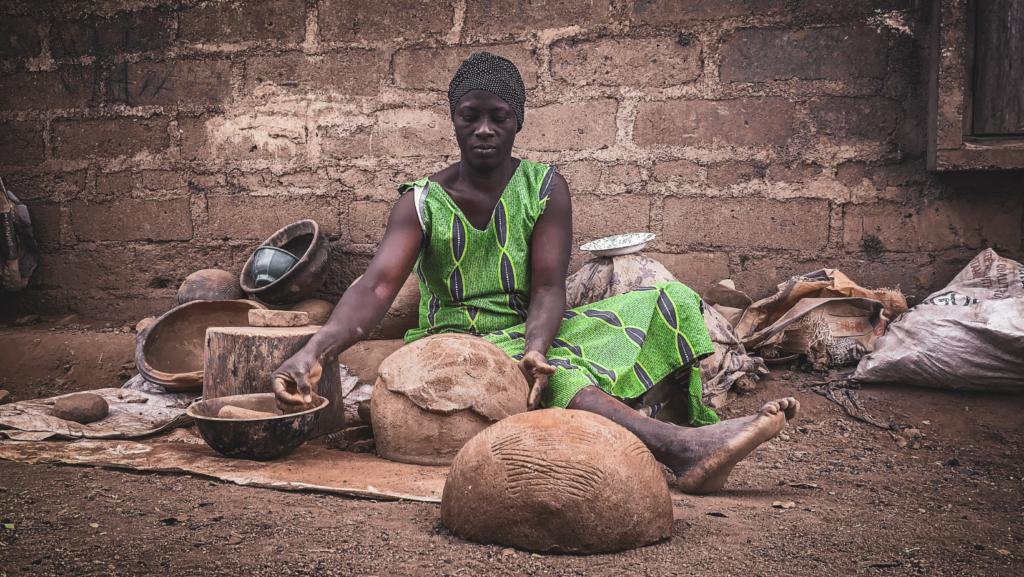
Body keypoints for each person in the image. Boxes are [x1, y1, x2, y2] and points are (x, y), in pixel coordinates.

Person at [271, 52, 799, 494]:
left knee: (669, 301)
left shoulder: (545, 188)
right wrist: (316, 349)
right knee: (563, 377)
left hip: (532, 330)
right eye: (469, 116)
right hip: (456, 344)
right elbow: (377, 286)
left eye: (498, 117)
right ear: (452, 118)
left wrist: (537, 347)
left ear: (517, 120)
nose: (483, 130)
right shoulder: (421, 202)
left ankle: (663, 418)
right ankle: (677, 449)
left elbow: (549, 287)